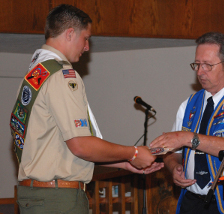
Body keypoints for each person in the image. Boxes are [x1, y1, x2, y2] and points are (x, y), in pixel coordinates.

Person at [9, 4, 163, 214]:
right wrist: (133, 152)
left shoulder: (35, 76)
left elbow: (59, 148)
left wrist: (126, 162)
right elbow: (81, 145)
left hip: (39, 196)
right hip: (58, 200)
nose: (87, 47)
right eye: (86, 38)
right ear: (70, 33)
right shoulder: (61, 76)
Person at [150, 32, 224, 214]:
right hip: (192, 201)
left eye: (207, 65)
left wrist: (188, 138)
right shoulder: (189, 104)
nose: (199, 71)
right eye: (197, 64)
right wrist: (174, 167)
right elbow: (172, 152)